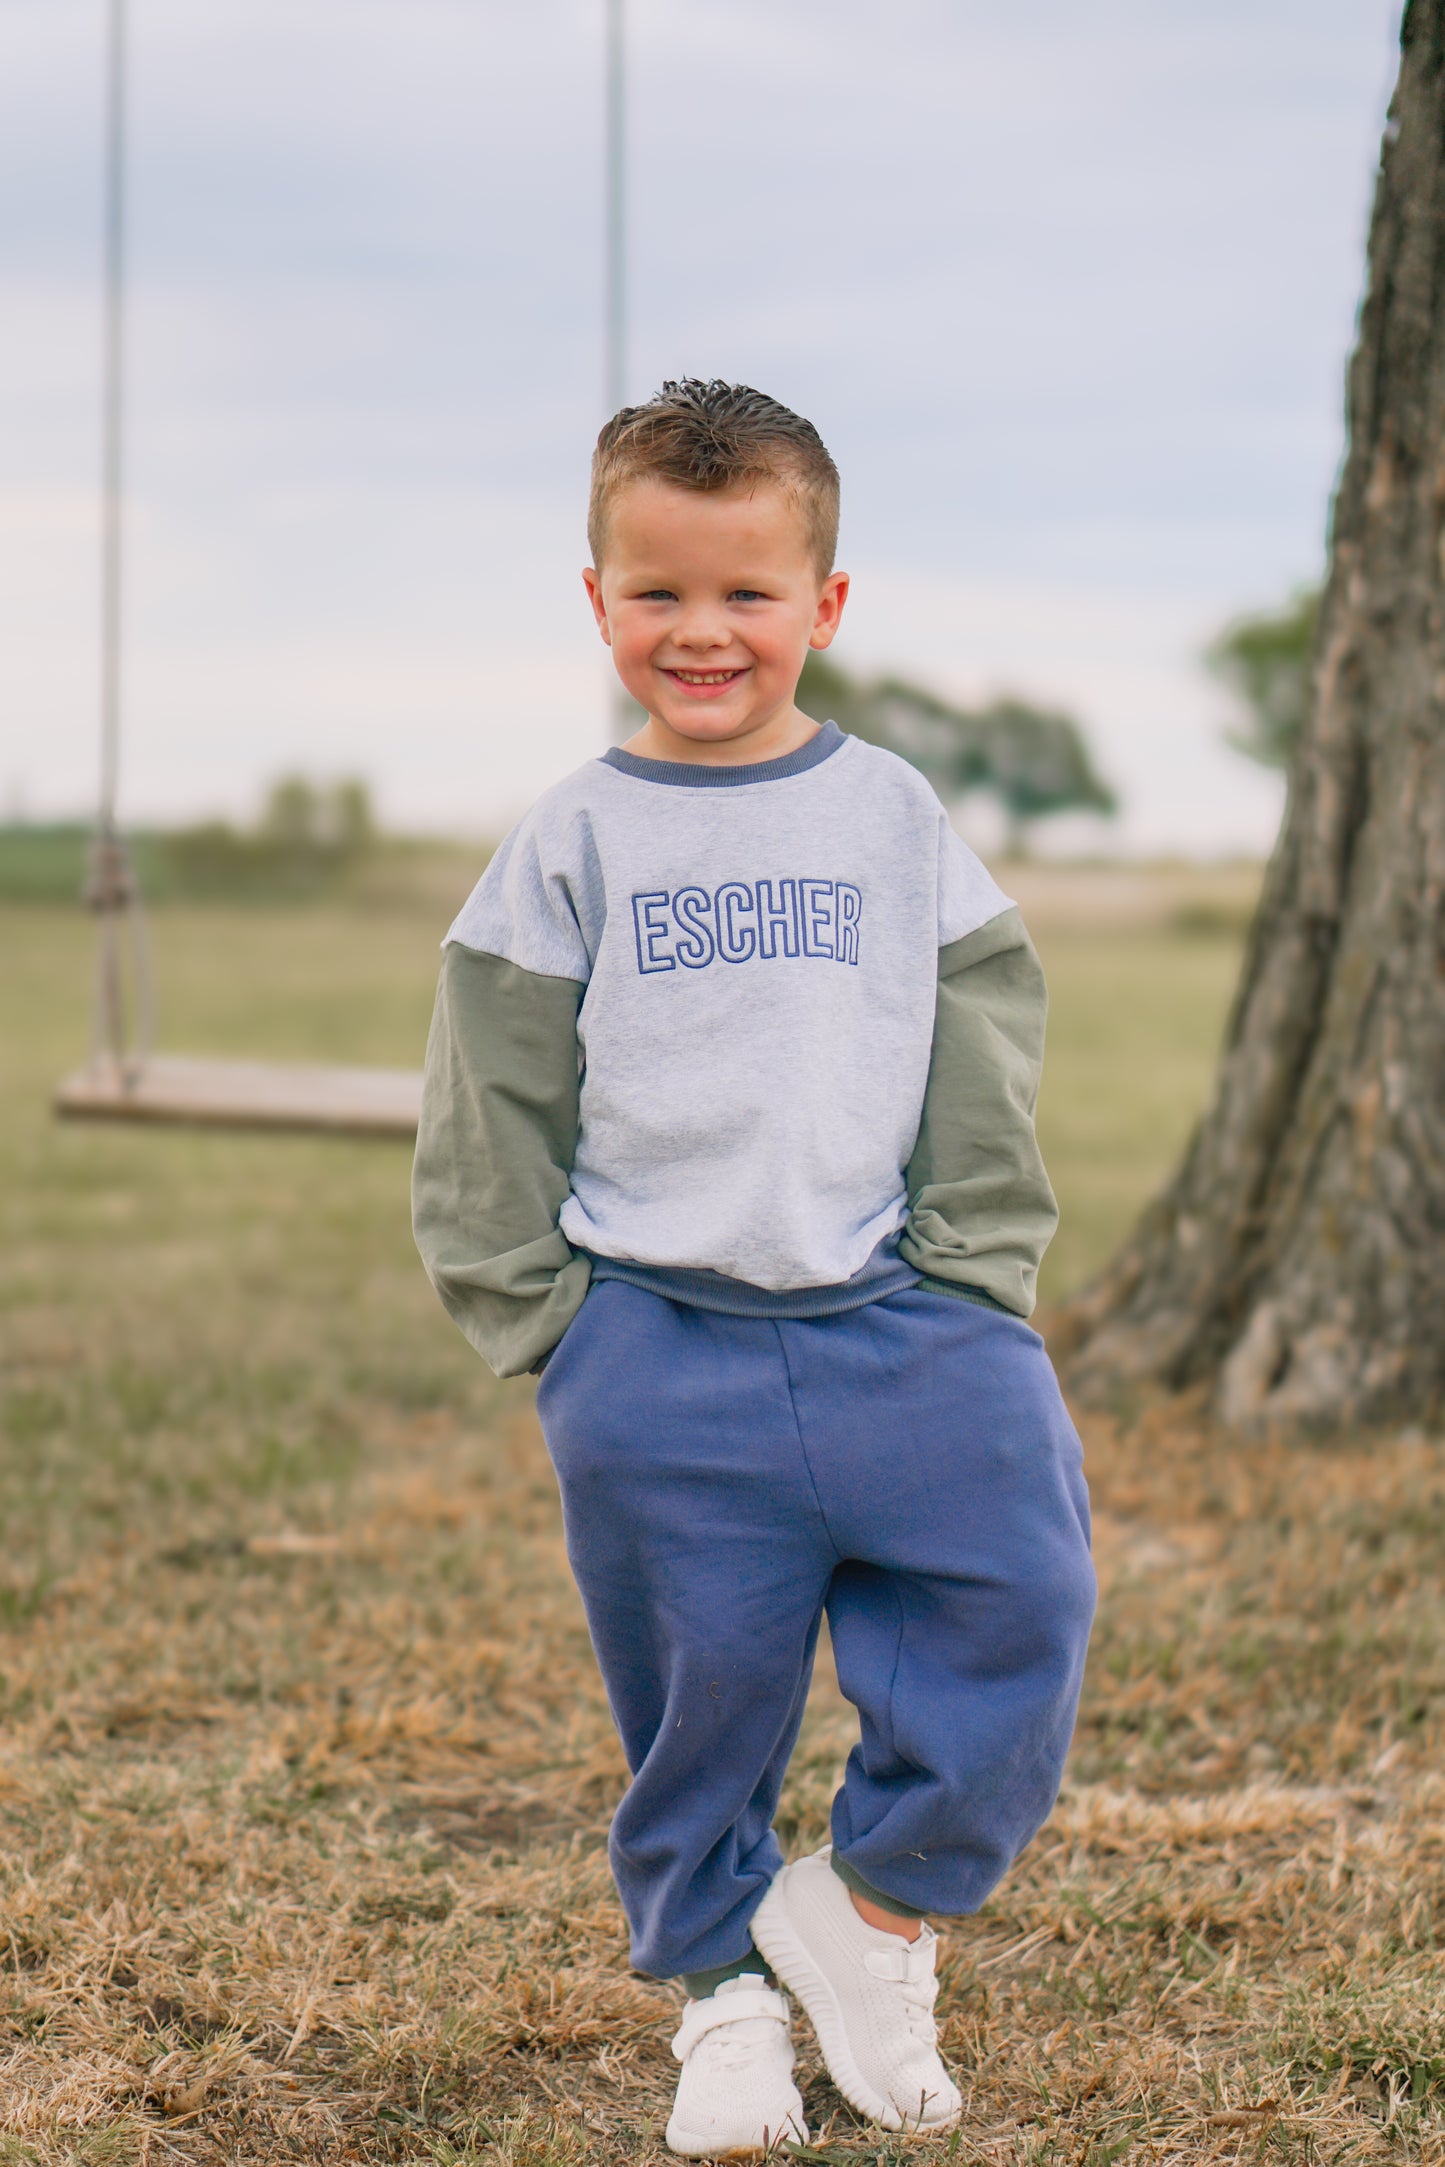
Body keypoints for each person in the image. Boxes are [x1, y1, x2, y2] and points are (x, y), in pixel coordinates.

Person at [412, 379, 1096, 2158]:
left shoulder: (887, 813)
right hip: (660, 1347)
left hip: (901, 1320)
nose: (700, 633)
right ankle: (723, 2003)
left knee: (1020, 1601)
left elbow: (982, 1030)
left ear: (826, 605)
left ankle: (867, 1915)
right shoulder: (572, 837)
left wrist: (974, 1273)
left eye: (746, 595)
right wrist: (549, 1325)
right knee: (699, 1697)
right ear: (596, 602)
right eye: (657, 594)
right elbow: (487, 1086)